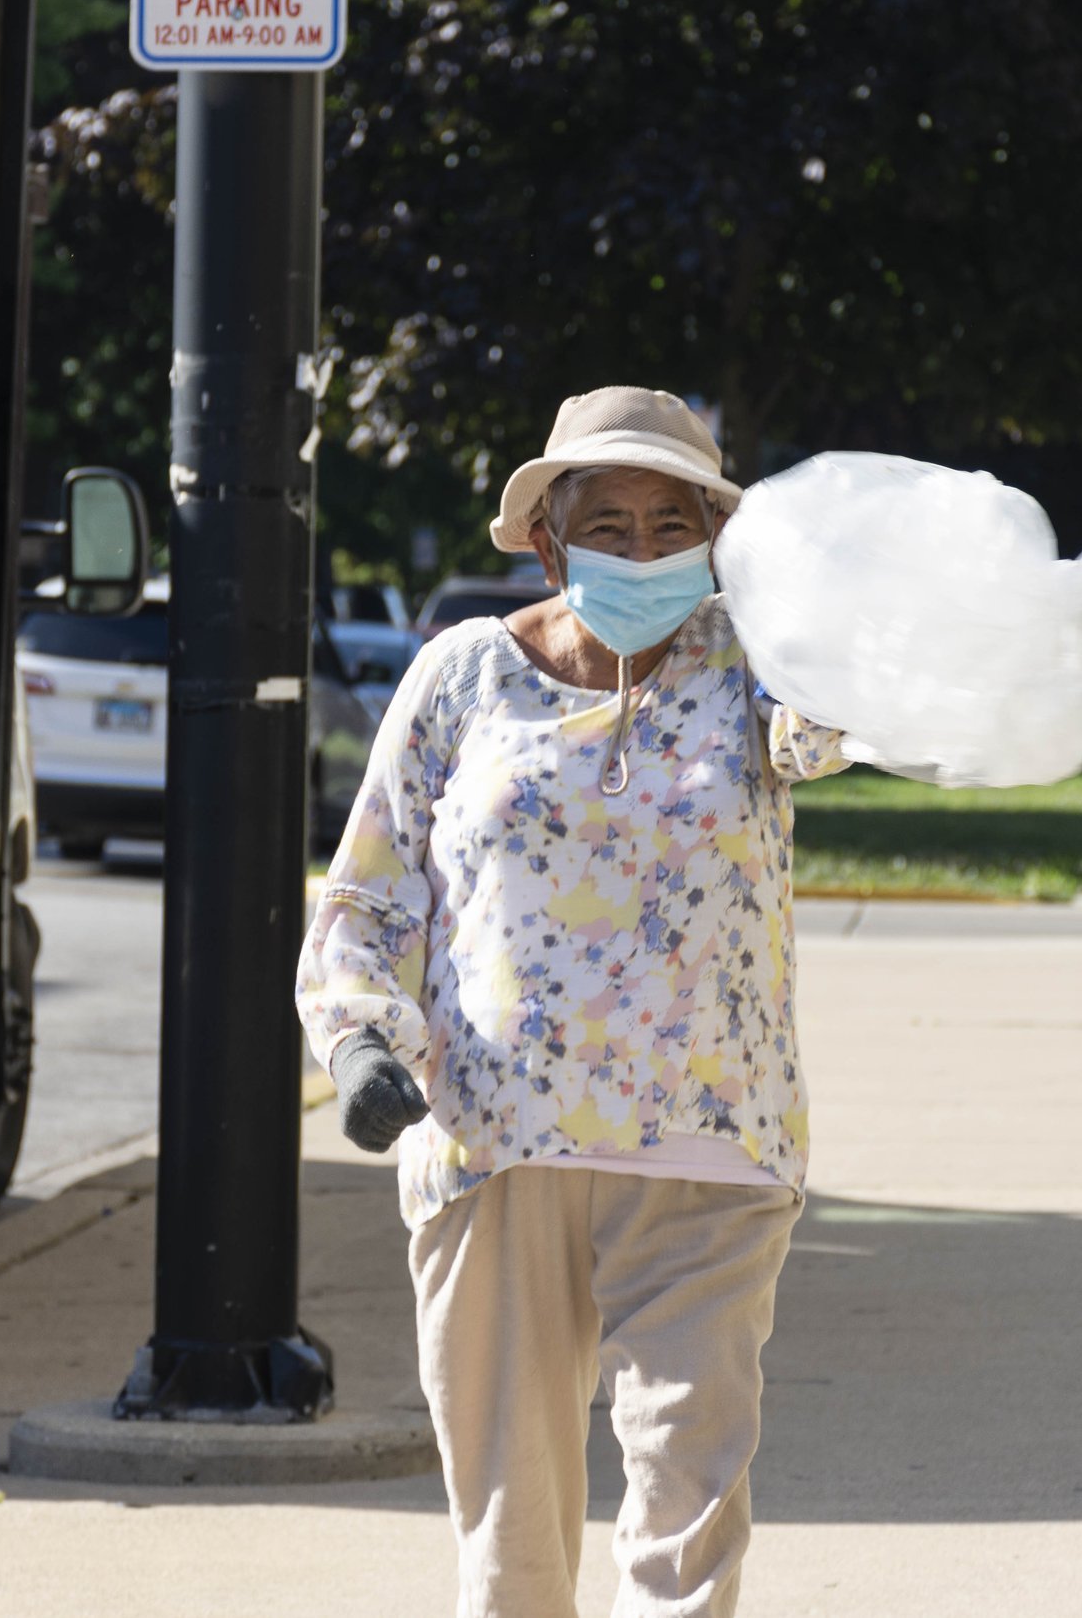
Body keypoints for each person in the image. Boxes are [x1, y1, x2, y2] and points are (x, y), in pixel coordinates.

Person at [294, 385, 847, 1618]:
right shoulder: (458, 677)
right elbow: (369, 896)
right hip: (495, 1144)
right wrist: (365, 1042)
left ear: (714, 540)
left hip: (711, 1146)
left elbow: (847, 719)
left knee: (686, 1504)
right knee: (513, 1542)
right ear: (548, 537)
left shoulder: (754, 670)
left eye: (672, 522)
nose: (642, 551)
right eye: (610, 522)